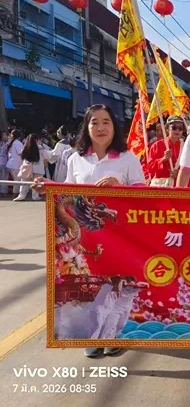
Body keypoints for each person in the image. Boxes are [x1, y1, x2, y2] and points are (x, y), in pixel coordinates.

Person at [34, 104, 145, 358]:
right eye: (95, 122)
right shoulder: (76, 158)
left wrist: (119, 185)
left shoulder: (127, 158)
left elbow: (143, 194)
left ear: (114, 127)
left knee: (117, 288)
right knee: (91, 290)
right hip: (87, 238)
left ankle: (112, 337)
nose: (101, 127)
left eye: (106, 122)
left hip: (120, 236)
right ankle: (90, 337)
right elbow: (67, 191)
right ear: (87, 127)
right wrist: (47, 185)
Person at [146, 116, 185, 186]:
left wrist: (179, 173)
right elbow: (150, 168)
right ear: (167, 129)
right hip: (161, 186)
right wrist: (163, 159)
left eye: (180, 128)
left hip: (178, 186)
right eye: (174, 127)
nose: (177, 130)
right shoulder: (156, 145)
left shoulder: (186, 147)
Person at [14, 134, 51, 201]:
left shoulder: (25, 147)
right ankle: (35, 196)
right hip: (38, 169)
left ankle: (22, 195)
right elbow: (48, 156)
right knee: (37, 183)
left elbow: (22, 157)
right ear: (37, 140)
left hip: (26, 168)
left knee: (24, 183)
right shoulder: (40, 148)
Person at [6, 129, 24, 196]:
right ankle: (15, 194)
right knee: (17, 180)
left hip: (11, 164)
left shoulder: (12, 143)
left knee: (16, 180)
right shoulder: (18, 143)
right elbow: (21, 153)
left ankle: (16, 194)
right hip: (16, 164)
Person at [0, 131, 8, 196]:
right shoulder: (6, 144)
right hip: (3, 162)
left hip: (4, 162)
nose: (6, 136)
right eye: (5, 135)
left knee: (4, 177)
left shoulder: (6, 143)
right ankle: (3, 191)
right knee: (4, 177)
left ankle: (3, 192)